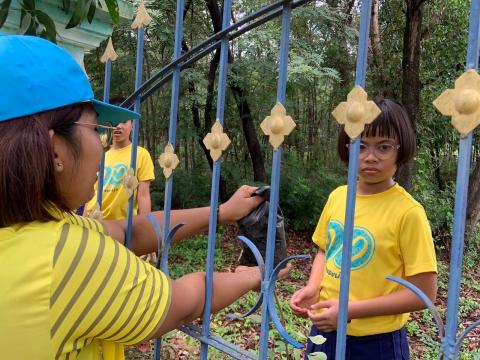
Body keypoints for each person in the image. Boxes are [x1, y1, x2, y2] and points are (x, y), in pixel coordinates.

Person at [0, 34, 288, 360]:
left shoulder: (38, 232)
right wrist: (258, 274)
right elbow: (181, 303)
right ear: (55, 150)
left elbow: (130, 231)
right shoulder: (65, 256)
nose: (102, 144)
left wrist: (223, 211)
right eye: (95, 129)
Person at [290, 98, 437, 359]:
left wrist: (348, 310)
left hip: (377, 343)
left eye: (383, 147)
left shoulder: (408, 212)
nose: (370, 157)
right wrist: (313, 288)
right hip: (325, 331)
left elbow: (423, 294)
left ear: (400, 150)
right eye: (360, 145)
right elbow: (326, 250)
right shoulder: (338, 196)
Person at [85, 97, 155, 222]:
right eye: (114, 121)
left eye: (123, 121)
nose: (118, 126)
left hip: (123, 224)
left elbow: (143, 195)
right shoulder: (100, 154)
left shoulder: (140, 154)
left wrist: (145, 225)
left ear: (132, 125)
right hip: (93, 220)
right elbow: (91, 192)